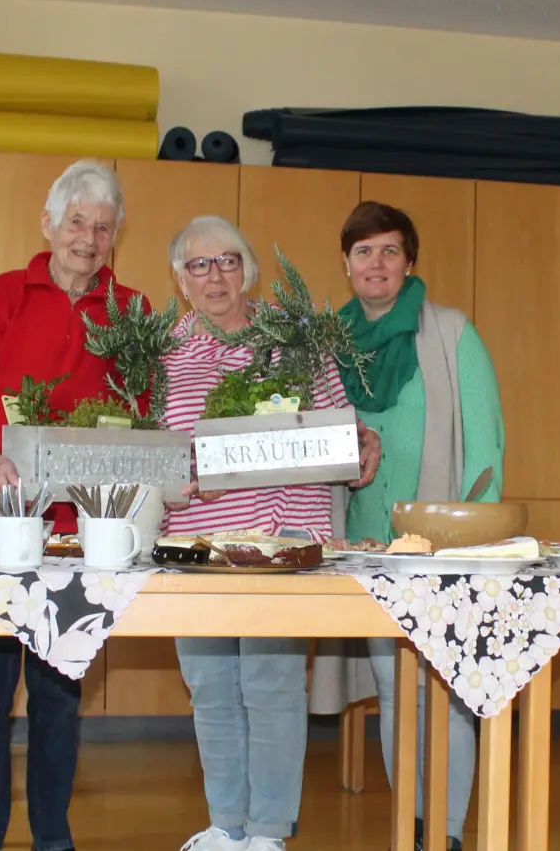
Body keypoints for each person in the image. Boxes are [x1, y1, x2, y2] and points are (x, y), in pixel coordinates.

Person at [0, 159, 148, 851]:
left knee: (59, 697)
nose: (88, 238)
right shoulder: (5, 293)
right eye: (76, 222)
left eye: (102, 227)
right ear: (48, 224)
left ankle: (52, 839)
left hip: (80, 537)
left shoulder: (131, 311)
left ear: (116, 236)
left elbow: (145, 414)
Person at [158, 216, 379, 851]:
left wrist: (362, 440)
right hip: (196, 545)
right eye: (199, 264)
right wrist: (175, 479)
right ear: (180, 278)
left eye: (228, 261)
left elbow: (337, 430)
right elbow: (153, 451)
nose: (215, 275)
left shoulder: (296, 338)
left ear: (248, 270)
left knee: (272, 683)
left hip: (282, 542)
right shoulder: (163, 354)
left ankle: (269, 832)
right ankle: (227, 827)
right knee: (210, 689)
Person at [337, 201, 506, 851]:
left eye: (389, 250)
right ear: (347, 264)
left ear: (409, 261)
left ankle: (450, 831)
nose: (376, 263)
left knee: (446, 688)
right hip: (366, 544)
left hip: (441, 548)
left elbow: (486, 447)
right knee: (392, 688)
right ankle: (413, 825)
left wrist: (469, 541)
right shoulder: (331, 343)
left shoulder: (451, 332)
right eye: (363, 251)